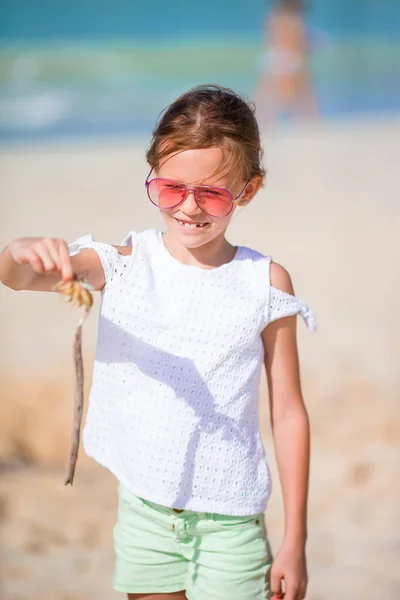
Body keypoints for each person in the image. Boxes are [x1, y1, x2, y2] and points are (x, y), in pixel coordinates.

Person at [0, 84, 316, 600]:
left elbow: (289, 413)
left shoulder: (266, 282)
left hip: (232, 520)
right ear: (152, 177)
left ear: (248, 189)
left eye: (212, 193)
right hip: (145, 512)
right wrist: (20, 249)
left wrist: (295, 540)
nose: (189, 207)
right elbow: (16, 277)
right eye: (171, 189)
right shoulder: (124, 263)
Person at [254, 0, 319, 125]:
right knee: (291, 93)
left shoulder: (272, 16)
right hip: (287, 59)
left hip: (274, 56)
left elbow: (271, 39)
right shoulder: (292, 18)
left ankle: (308, 121)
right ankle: (308, 121)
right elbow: (292, 41)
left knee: (271, 91)